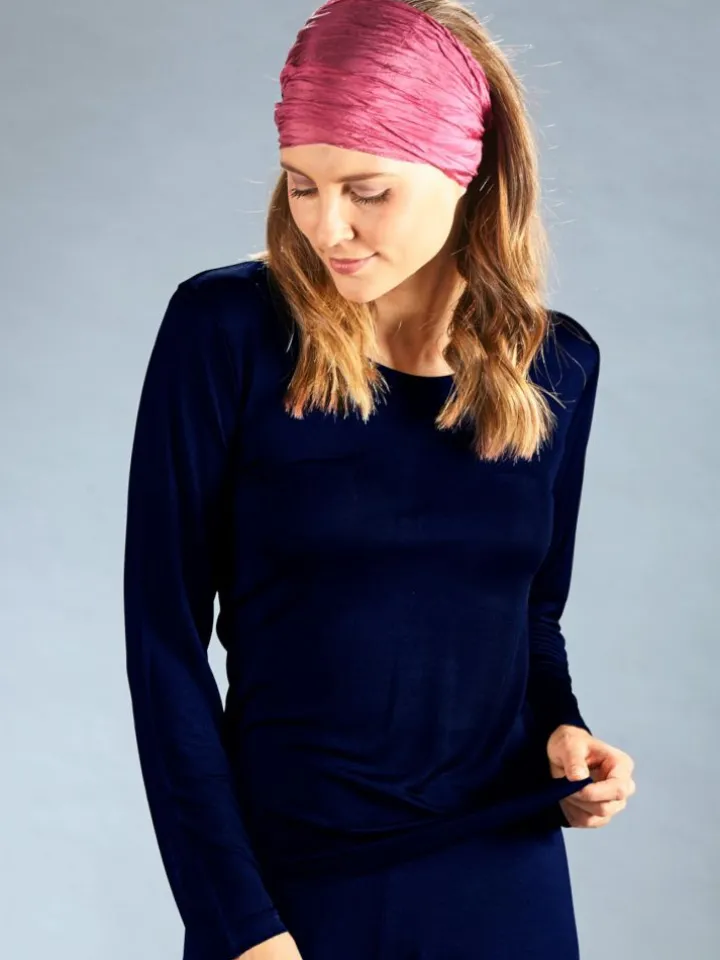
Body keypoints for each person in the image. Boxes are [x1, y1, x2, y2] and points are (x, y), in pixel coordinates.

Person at [123, 1, 637, 958]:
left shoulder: (558, 367)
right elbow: (163, 644)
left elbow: (529, 613)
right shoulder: (226, 331)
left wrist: (562, 730)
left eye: (367, 190)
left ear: (465, 169)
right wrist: (236, 921)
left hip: (505, 874)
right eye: (302, 185)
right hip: (294, 887)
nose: (328, 225)